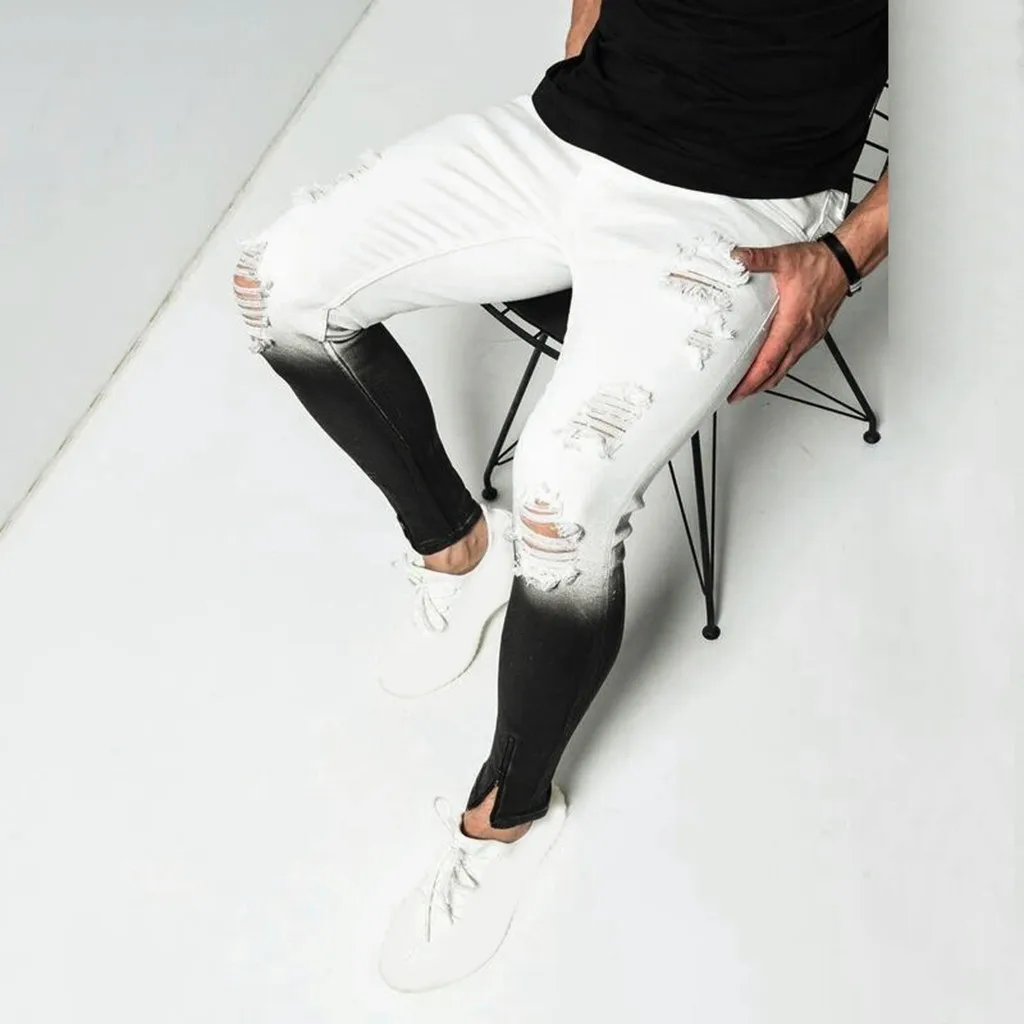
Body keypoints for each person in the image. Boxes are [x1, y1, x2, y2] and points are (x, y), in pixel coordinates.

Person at [232, 0, 889, 992]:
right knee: (277, 285)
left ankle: (508, 819)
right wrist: (585, 51)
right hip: (569, 130)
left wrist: (847, 251)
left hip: (744, 205)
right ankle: (458, 547)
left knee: (562, 501)